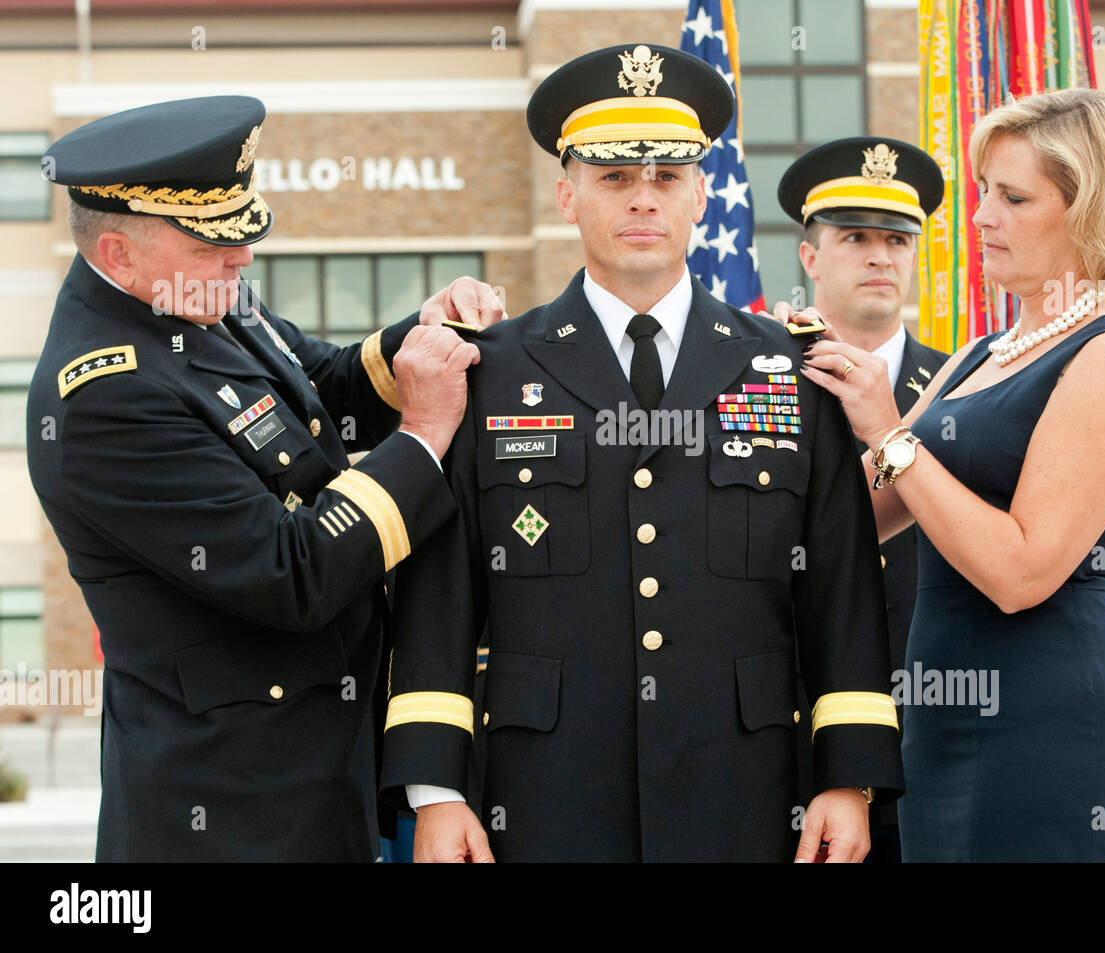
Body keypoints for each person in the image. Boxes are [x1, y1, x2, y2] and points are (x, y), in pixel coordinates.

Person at [380, 43, 903, 863]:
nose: (643, 200)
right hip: (545, 792)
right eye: (615, 178)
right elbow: (441, 596)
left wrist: (850, 777)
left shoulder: (792, 367)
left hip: (747, 789)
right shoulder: (489, 369)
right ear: (567, 194)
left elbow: (839, 590)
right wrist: (437, 792)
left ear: (701, 194)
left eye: (666, 178)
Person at [27, 95, 501, 861]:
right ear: (118, 253)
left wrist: (423, 332)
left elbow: (324, 386)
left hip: (324, 769)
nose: (241, 258)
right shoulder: (106, 397)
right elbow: (293, 571)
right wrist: (422, 436)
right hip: (234, 807)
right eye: (213, 244)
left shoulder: (198, 295)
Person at [782, 88, 1105, 860]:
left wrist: (892, 433)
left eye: (1013, 197)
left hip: (1048, 717)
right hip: (938, 719)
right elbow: (852, 517)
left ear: (1090, 211)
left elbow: (1020, 570)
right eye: (983, 191)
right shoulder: (976, 355)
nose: (980, 217)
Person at [778, 137, 947, 863]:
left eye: (898, 239)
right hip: (790, 736)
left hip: (933, 735)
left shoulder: (963, 390)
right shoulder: (754, 380)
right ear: (810, 257)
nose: (882, 256)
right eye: (855, 238)